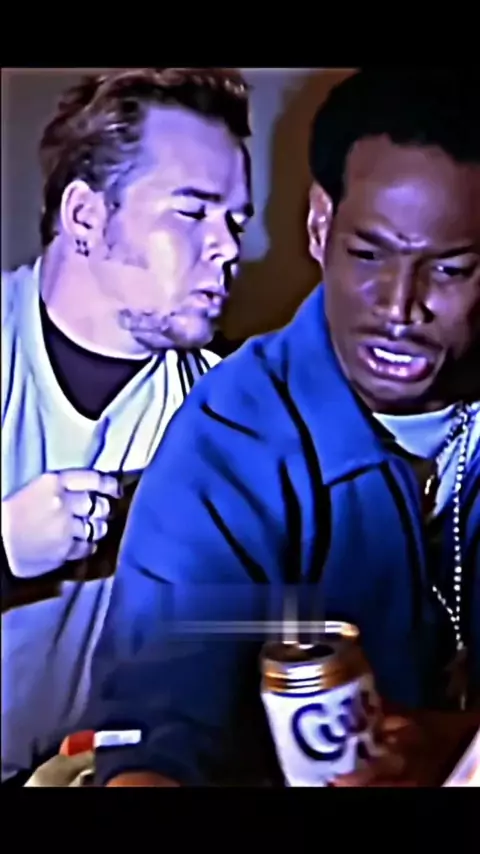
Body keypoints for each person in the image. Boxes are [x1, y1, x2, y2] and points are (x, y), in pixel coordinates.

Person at [87, 68, 480, 788]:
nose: (400, 308)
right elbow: (154, 735)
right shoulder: (228, 441)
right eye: (369, 255)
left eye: (451, 270)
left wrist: (453, 746)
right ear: (320, 226)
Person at [1, 66, 253, 784]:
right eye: (193, 212)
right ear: (85, 216)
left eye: (235, 221)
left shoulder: (228, 409)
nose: (229, 248)